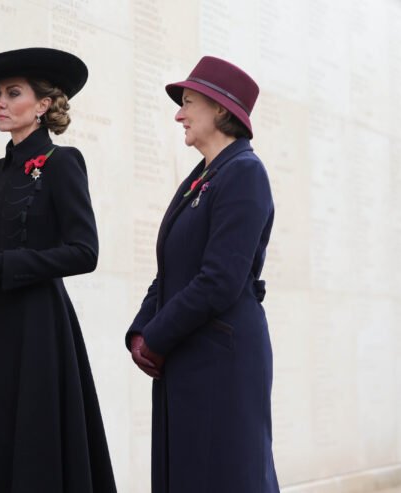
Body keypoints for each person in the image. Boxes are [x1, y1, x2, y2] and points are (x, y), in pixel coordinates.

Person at [0, 48, 117, 492]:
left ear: (42, 105)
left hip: (42, 326)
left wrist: (6, 265)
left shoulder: (63, 163)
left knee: (36, 440)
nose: (0, 102)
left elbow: (85, 251)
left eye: (13, 93)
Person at [125, 56, 279, 492]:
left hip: (222, 360)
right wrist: (140, 331)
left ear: (221, 110)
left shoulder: (245, 173)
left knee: (225, 478)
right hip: (188, 353)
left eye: (188, 102)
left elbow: (220, 279)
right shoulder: (203, 177)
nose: (179, 113)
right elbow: (170, 271)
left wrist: (156, 338)